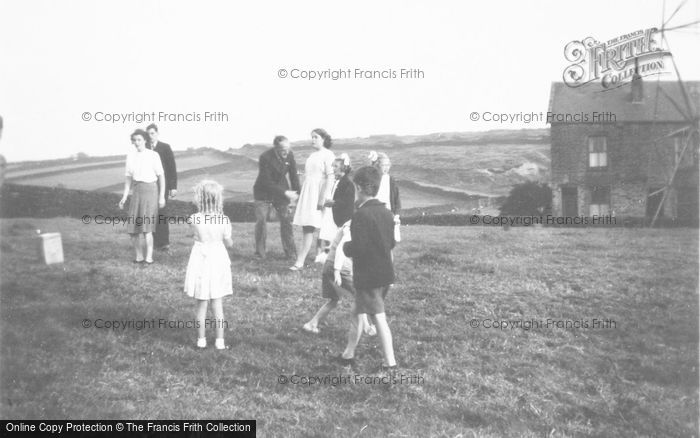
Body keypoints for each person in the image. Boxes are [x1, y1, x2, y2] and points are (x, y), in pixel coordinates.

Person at [339, 166, 397, 371]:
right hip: (385, 273)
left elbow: (359, 248)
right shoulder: (387, 213)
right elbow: (391, 243)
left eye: (355, 188)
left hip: (368, 276)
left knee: (378, 317)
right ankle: (348, 354)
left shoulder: (361, 215)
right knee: (357, 312)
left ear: (360, 188)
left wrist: (346, 247)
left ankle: (390, 363)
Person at [302, 220, 376, 335]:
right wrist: (337, 270)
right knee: (361, 295)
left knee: (334, 300)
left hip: (329, 265)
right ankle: (366, 327)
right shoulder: (354, 224)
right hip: (339, 267)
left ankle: (312, 323)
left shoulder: (351, 223)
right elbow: (342, 247)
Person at [184, 180, 233, 350]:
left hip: (200, 260)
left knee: (202, 303)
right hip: (217, 259)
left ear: (199, 199)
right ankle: (220, 341)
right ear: (218, 199)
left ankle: (201, 340)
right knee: (217, 302)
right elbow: (229, 243)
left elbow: (194, 235)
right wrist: (228, 242)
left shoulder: (194, 218)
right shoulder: (223, 219)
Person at [290, 129, 335, 270]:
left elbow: (330, 177)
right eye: (312, 137)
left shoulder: (329, 155)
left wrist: (321, 199)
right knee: (308, 227)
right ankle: (301, 260)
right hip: (309, 193)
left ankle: (324, 258)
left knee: (325, 228)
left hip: (319, 194)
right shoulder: (312, 155)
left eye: (316, 137)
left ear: (324, 139)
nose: (313, 139)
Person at [118, 129, 166, 264]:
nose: (136, 142)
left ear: (145, 140)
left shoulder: (153, 155)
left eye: (139, 139)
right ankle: (139, 256)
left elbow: (161, 177)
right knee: (133, 228)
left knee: (147, 228)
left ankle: (149, 257)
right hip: (137, 191)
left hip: (151, 190)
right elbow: (128, 179)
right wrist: (125, 196)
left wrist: (161, 196)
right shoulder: (130, 156)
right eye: (134, 140)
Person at [253, 135, 300, 259]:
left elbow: (294, 176)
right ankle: (260, 254)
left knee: (286, 220)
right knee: (261, 221)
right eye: (283, 149)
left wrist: (298, 194)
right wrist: (285, 193)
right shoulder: (265, 157)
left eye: (288, 149)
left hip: (281, 191)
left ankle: (291, 254)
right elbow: (266, 181)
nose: (287, 152)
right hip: (263, 192)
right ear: (276, 148)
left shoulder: (290, 155)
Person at [316, 154, 355, 262]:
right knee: (329, 236)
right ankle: (328, 256)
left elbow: (348, 201)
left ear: (343, 168)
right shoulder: (336, 181)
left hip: (340, 216)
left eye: (335, 166)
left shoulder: (348, 183)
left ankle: (338, 258)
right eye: (332, 166)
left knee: (338, 238)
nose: (332, 168)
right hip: (332, 213)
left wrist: (334, 203)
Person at [146, 124, 178, 251]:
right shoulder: (144, 148)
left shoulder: (165, 147)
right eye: (148, 134)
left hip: (162, 186)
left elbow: (171, 168)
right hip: (148, 185)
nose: (150, 136)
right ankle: (152, 243)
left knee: (162, 212)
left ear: (157, 133)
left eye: (152, 133)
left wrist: (173, 187)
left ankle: (164, 243)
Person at [369, 151, 402, 241]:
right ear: (378, 165)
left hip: (388, 214)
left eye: (388, 165)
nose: (386, 167)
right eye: (384, 165)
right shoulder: (372, 179)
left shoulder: (390, 180)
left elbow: (396, 199)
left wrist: (397, 215)